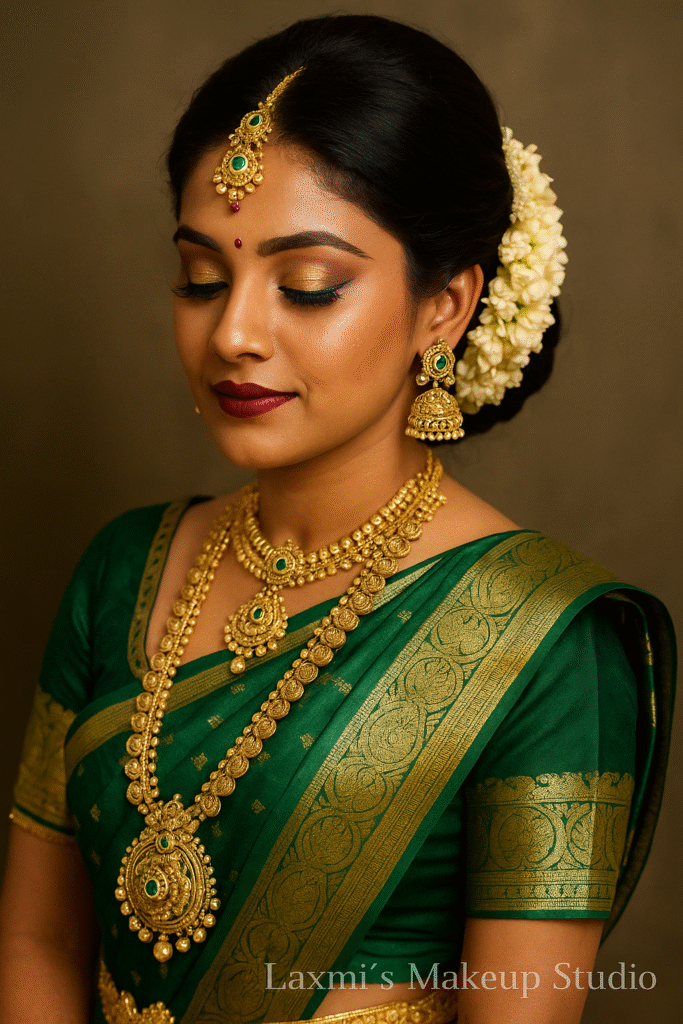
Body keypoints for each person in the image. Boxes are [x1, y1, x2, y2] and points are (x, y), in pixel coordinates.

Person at [0, 14, 675, 1024]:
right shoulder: (121, 572)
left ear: (444, 307)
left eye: (307, 287)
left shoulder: (544, 645)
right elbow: (39, 938)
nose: (232, 332)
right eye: (201, 277)